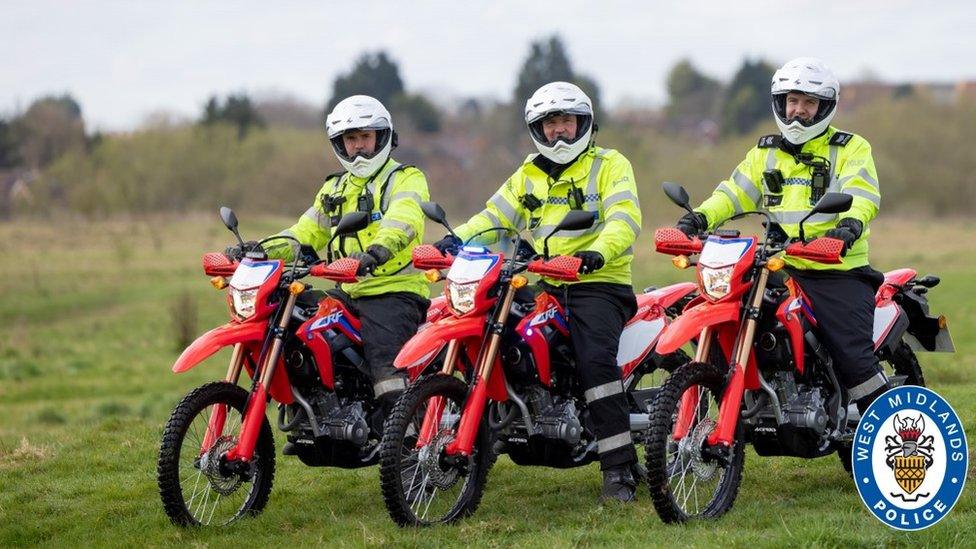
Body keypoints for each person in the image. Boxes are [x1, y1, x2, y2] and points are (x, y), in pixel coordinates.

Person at [433, 81, 643, 502]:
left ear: (583, 123)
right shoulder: (529, 173)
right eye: (550, 124)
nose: (559, 131)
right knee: (497, 331)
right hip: (544, 281)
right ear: (538, 129)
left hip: (597, 285)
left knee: (595, 363)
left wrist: (595, 255)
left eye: (566, 121)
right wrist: (452, 242)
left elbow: (625, 218)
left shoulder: (610, 164)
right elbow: (495, 217)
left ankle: (619, 470)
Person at [675, 57, 888, 414]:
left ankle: (888, 426)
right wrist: (697, 217)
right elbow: (733, 193)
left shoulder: (850, 149)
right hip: (777, 265)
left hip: (836, 268)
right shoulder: (765, 153)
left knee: (853, 357)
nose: (797, 112)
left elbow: (863, 194)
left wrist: (848, 227)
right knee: (722, 310)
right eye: (792, 102)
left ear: (825, 107)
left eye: (808, 103)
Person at [228, 95, 430, 426]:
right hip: (346, 291)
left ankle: (401, 435)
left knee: (386, 367)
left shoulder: (405, 178)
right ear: (340, 143)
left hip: (395, 291)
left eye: (366, 137)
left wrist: (375, 253)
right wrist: (259, 248)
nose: (360, 148)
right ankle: (318, 409)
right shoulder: (335, 188)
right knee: (296, 322)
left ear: (382, 137)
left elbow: (404, 220)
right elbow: (305, 232)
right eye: (351, 140)